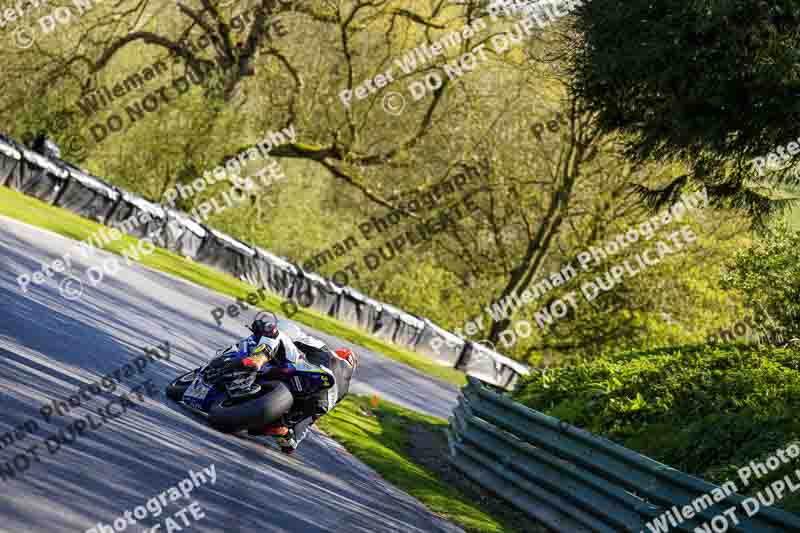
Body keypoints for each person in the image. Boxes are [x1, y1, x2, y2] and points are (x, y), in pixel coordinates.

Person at [228, 314, 358, 454]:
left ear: (341, 355)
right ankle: (282, 429)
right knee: (295, 428)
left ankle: (259, 358)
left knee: (275, 333)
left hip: (310, 373)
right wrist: (292, 442)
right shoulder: (343, 391)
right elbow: (311, 419)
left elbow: (296, 335)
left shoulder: (326, 352)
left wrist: (264, 326)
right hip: (316, 402)